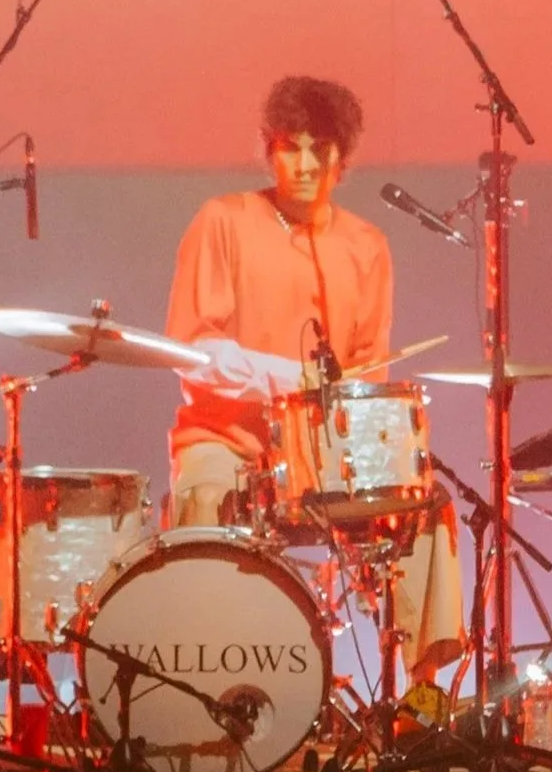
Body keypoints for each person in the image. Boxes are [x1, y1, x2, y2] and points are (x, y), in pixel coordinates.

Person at [163, 74, 462, 680]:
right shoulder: (223, 220)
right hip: (228, 448)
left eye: (318, 149)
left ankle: (423, 701)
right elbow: (192, 351)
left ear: (340, 159)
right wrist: (286, 377)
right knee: (204, 495)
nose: (302, 164)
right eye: (289, 146)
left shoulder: (366, 246)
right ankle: (199, 687)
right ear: (269, 148)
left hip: (326, 462)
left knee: (425, 504)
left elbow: (366, 371)